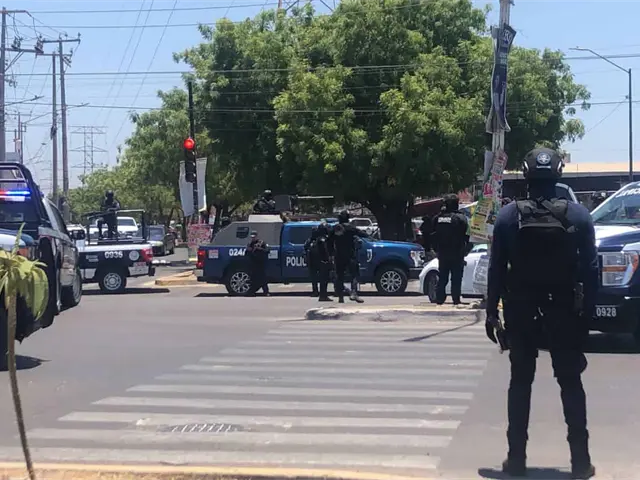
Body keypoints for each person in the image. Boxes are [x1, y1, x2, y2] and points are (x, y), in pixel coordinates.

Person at [485, 147, 598, 479]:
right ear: (558, 174)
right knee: (571, 383)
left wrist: (491, 313)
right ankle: (580, 462)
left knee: (520, 383)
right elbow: (591, 271)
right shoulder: (579, 216)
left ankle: (516, 460)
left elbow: (496, 269)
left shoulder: (508, 217)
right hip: (564, 310)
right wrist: (587, 317)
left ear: (525, 174)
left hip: (521, 311)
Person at [431, 194, 469, 305]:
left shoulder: (437, 218)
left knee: (443, 277)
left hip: (442, 253)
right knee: (456, 278)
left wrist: (436, 250)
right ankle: (456, 299)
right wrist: (465, 250)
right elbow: (467, 236)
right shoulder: (460, 218)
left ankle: (439, 299)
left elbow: (432, 236)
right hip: (457, 253)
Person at [328, 210, 367, 303]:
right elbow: (362, 234)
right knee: (354, 274)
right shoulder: (351, 228)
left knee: (340, 276)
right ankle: (354, 292)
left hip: (338, 255)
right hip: (350, 255)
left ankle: (340, 297)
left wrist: (330, 254)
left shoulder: (335, 228)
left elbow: (329, 241)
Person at [245, 230, 270, 296]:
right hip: (253, 263)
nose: (253, 238)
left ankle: (266, 292)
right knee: (252, 279)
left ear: (257, 236)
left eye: (254, 237)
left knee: (263, 278)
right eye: (252, 237)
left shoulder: (262, 243)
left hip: (260, 263)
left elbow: (267, 251)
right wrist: (248, 250)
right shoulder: (250, 244)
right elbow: (246, 253)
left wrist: (259, 249)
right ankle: (251, 292)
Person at [313, 221, 333, 301]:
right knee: (324, 279)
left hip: (321, 262)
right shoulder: (322, 240)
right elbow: (325, 251)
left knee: (324, 279)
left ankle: (323, 295)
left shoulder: (320, 239)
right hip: (323, 262)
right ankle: (323, 295)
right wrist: (328, 260)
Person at [304, 226, 320, 296]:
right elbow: (305, 247)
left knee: (318, 278)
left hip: (318, 261)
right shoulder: (310, 240)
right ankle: (316, 291)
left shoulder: (319, 240)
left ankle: (320, 292)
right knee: (314, 278)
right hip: (313, 261)